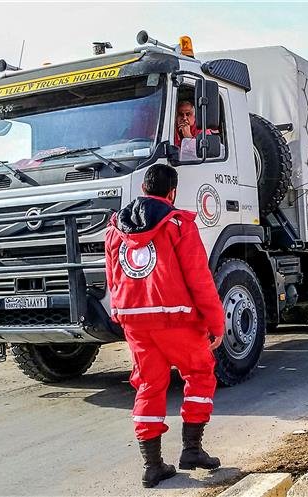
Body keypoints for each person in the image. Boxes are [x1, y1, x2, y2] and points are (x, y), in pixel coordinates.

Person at [105, 164, 225, 488]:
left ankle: (153, 466)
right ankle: (192, 449)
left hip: (135, 322)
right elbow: (199, 278)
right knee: (200, 373)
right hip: (177, 319)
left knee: (148, 385)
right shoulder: (178, 224)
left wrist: (122, 314)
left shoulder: (115, 229)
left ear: (143, 188)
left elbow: (113, 278)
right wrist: (216, 322)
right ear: (172, 192)